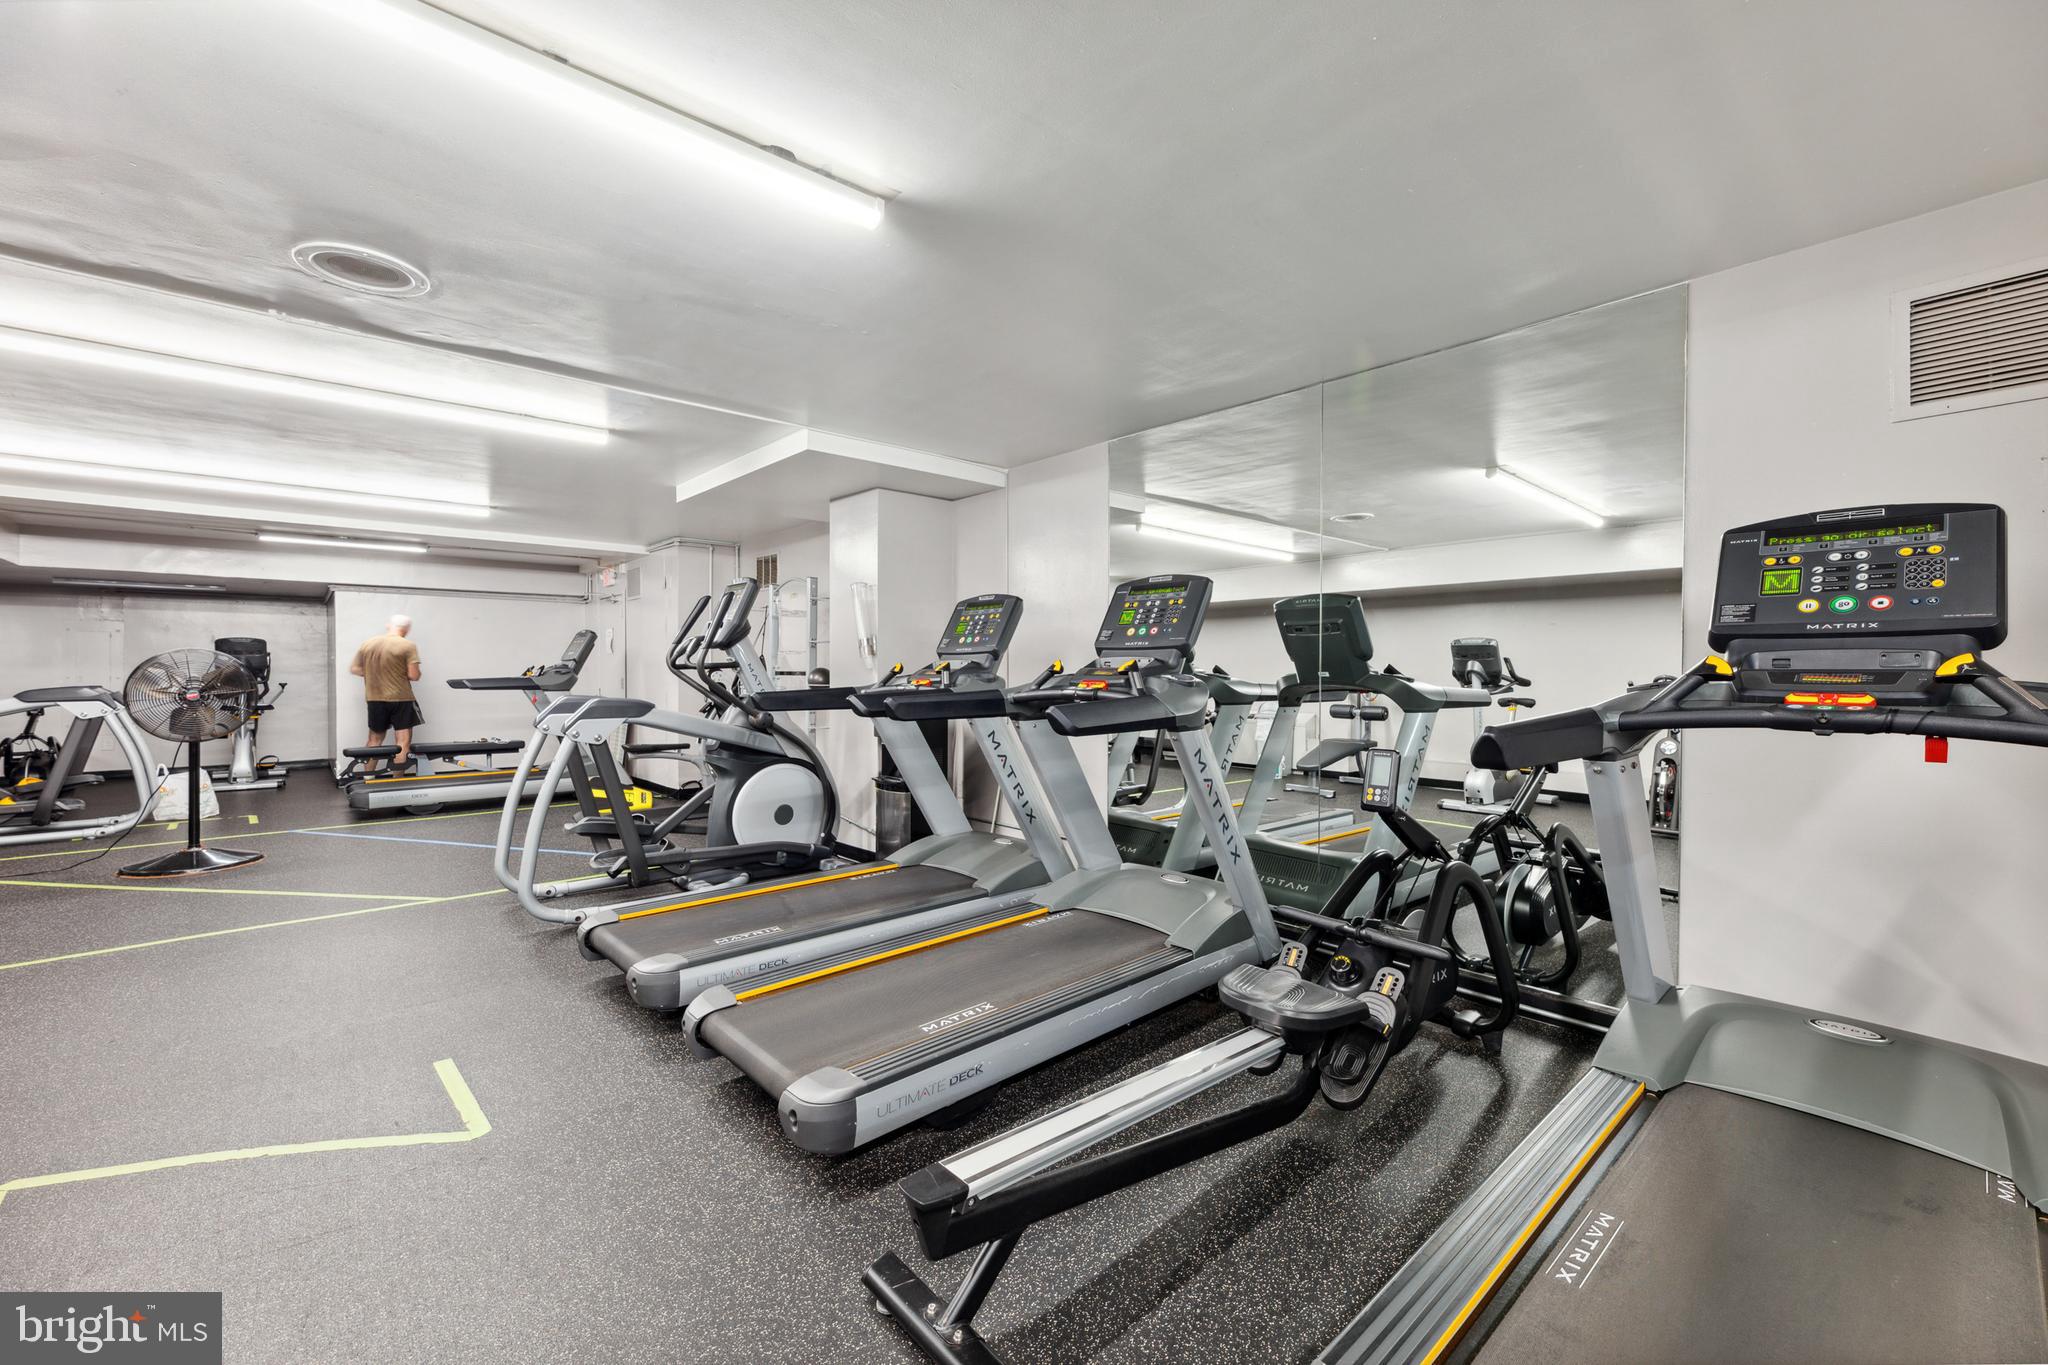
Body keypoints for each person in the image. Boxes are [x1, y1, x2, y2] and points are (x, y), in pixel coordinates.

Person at [350, 615, 423, 774]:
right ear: (406, 629)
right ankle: (397, 782)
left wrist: (376, 674)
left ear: (388, 625)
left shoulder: (368, 644)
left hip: (375, 698)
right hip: (401, 698)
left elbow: (354, 668)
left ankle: (368, 780)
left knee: (374, 740)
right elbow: (414, 675)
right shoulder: (407, 645)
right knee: (402, 742)